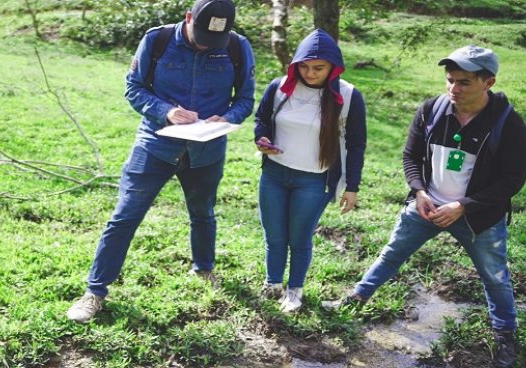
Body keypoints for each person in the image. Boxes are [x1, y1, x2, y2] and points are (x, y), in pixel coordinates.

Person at [325, 45, 526, 368]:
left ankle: (505, 335)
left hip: (477, 217)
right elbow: (410, 156)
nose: (453, 89)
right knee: (391, 253)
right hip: (426, 206)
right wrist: (419, 191)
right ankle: (356, 298)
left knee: (495, 276)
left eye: (463, 83)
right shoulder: (432, 109)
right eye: (450, 80)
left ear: (487, 83)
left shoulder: (509, 124)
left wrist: (463, 205)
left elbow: (512, 180)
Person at [66, 0, 255, 323]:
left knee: (203, 214)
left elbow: (246, 99)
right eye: (201, 38)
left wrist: (226, 118)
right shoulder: (158, 40)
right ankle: (94, 292)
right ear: (188, 18)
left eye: (214, 43)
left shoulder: (237, 47)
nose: (206, 46)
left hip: (206, 152)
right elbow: (134, 88)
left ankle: (204, 269)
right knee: (124, 217)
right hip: (155, 146)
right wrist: (165, 111)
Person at [253, 28, 367, 313]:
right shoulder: (280, 87)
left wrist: (352, 187)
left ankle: (295, 291)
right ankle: (273, 284)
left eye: (318, 68)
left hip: (314, 181)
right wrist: (262, 139)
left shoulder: (349, 96)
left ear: (333, 67)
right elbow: (262, 119)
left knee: (299, 238)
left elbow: (356, 144)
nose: (310, 73)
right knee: (274, 235)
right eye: (303, 66)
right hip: (274, 174)